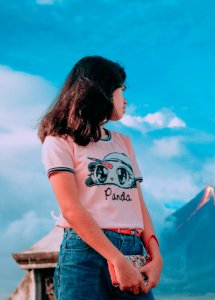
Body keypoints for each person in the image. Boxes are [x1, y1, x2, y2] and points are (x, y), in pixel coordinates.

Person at [38, 55, 163, 300]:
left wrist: (156, 256)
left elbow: (138, 205)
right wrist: (116, 259)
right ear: (102, 91)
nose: (125, 100)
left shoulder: (123, 143)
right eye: (121, 90)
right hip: (85, 254)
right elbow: (71, 209)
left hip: (133, 249)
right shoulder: (59, 141)